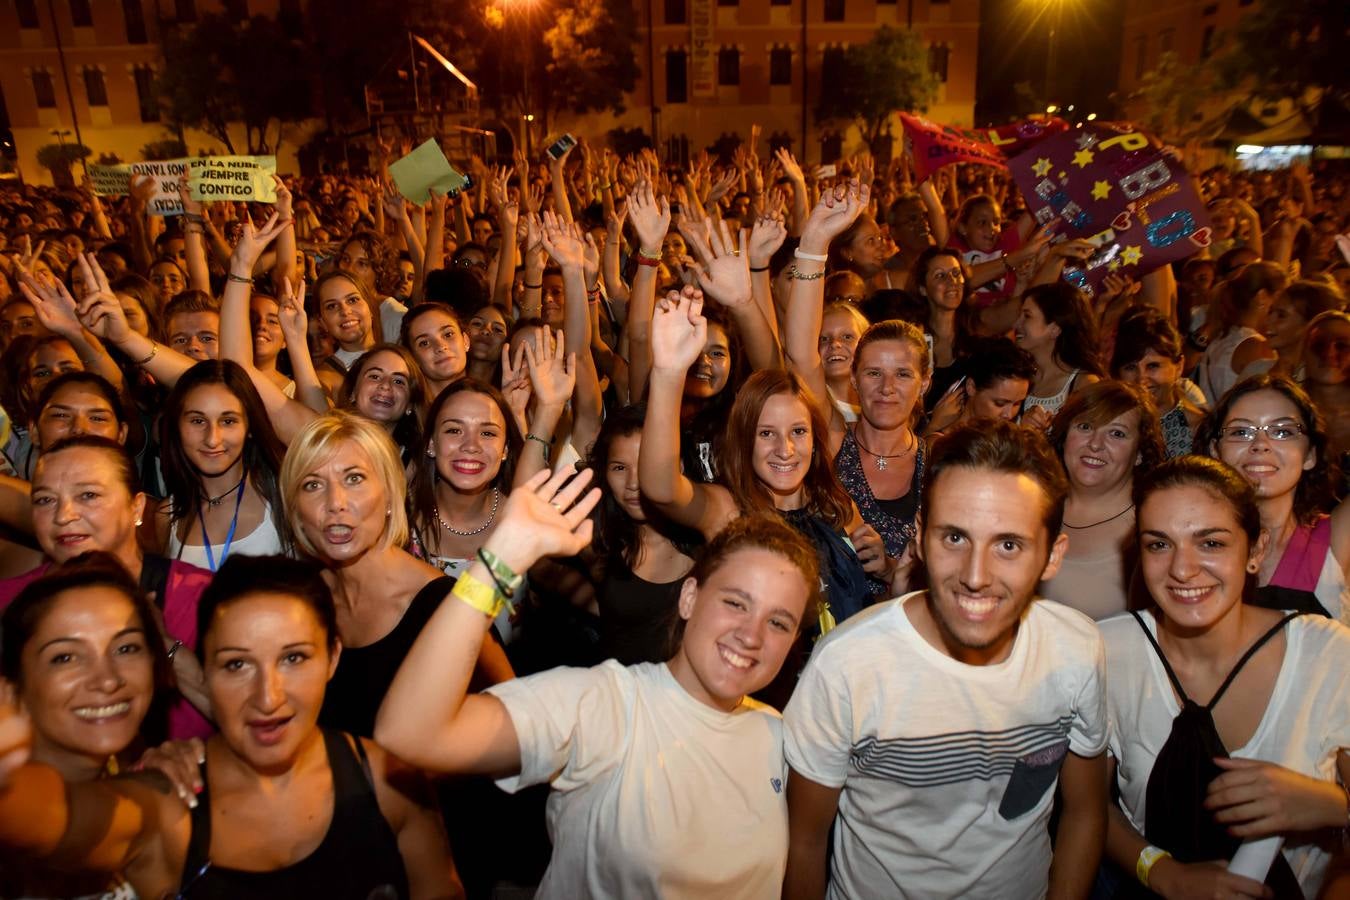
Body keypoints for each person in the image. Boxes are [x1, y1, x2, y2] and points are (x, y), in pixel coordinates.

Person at [376, 469, 820, 899]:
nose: (751, 635)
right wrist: (500, 562)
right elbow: (411, 733)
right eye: (735, 603)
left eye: (778, 622)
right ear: (689, 597)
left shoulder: (779, 738)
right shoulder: (603, 704)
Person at [0, 552, 464, 900]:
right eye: (236, 665)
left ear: (333, 657)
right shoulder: (168, 799)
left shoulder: (390, 782)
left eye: (294, 658)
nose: (268, 697)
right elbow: (53, 818)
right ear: (203, 668)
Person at [782, 419, 1107, 900]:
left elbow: (1085, 812)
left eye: (1008, 545)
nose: (975, 576)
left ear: (1053, 555)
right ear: (919, 536)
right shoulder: (848, 664)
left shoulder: (1075, 649)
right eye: (954, 538)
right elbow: (804, 842)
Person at [1101, 455, 1350, 899]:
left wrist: (1332, 804)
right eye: (1159, 544)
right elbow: (1086, 806)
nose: (1182, 569)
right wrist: (1163, 873)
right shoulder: (1106, 651)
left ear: (1255, 551)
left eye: (1211, 543)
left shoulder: (1326, 653)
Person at [642, 287, 882, 627]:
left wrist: (888, 571)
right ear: (745, 442)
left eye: (798, 431)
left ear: (815, 440)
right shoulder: (728, 511)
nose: (785, 449)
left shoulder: (835, 505)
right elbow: (661, 488)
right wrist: (667, 373)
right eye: (766, 433)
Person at [279, 412, 512, 738]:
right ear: (296, 511)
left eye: (354, 478)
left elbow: (515, 730)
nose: (335, 503)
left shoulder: (447, 606)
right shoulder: (302, 600)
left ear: (390, 494)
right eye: (313, 485)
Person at [0, 436, 213, 739]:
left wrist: (166, 647)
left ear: (137, 508)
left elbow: (253, 717)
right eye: (45, 500)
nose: (64, 516)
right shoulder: (10, 604)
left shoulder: (202, 598)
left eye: (88, 495)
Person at [0, 554, 177, 899]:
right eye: (65, 657)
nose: (107, 680)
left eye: (126, 648)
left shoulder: (150, 780)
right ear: (12, 688)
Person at [1199, 374, 1350, 624]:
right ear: (1215, 451)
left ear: (1310, 455)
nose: (1261, 444)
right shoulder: (1185, 541)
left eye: (1282, 432)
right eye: (1241, 431)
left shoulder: (1335, 541)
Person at [1043, 380, 1165, 620]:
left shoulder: (1152, 528)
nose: (1095, 444)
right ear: (1065, 436)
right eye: (1086, 426)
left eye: (1117, 433)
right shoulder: (1034, 508)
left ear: (1140, 453)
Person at [587, 403, 698, 664]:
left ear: (679, 467)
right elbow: (536, 566)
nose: (634, 483)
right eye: (619, 468)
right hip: (614, 688)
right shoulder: (599, 542)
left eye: (645, 464)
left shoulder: (709, 540)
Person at [153, 360, 290, 571]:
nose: (212, 439)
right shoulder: (167, 516)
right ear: (177, 426)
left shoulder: (284, 499)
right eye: (198, 421)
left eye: (228, 421)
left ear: (250, 427)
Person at [1111, 309, 1208, 459]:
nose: (1141, 379)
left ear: (1179, 367)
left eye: (1153, 366)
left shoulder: (1198, 432)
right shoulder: (1107, 423)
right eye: (1130, 367)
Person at [1195, 262, 1284, 404]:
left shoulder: (1222, 337)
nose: (1283, 304)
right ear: (1262, 296)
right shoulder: (1257, 347)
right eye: (1280, 296)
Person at [1015, 282, 1103, 425]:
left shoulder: (1084, 384)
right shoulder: (1018, 374)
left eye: (1027, 316)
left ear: (1055, 328)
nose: (1016, 324)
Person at [922, 335, 1036, 437]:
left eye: (1017, 404)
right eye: (1000, 403)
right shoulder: (942, 440)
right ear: (971, 387)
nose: (1009, 414)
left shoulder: (1012, 436)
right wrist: (933, 427)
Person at [1263, 279, 1345, 379]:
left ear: (1309, 325)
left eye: (1281, 315)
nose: (1267, 321)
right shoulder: (1256, 369)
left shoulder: (1324, 380)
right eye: (1270, 312)